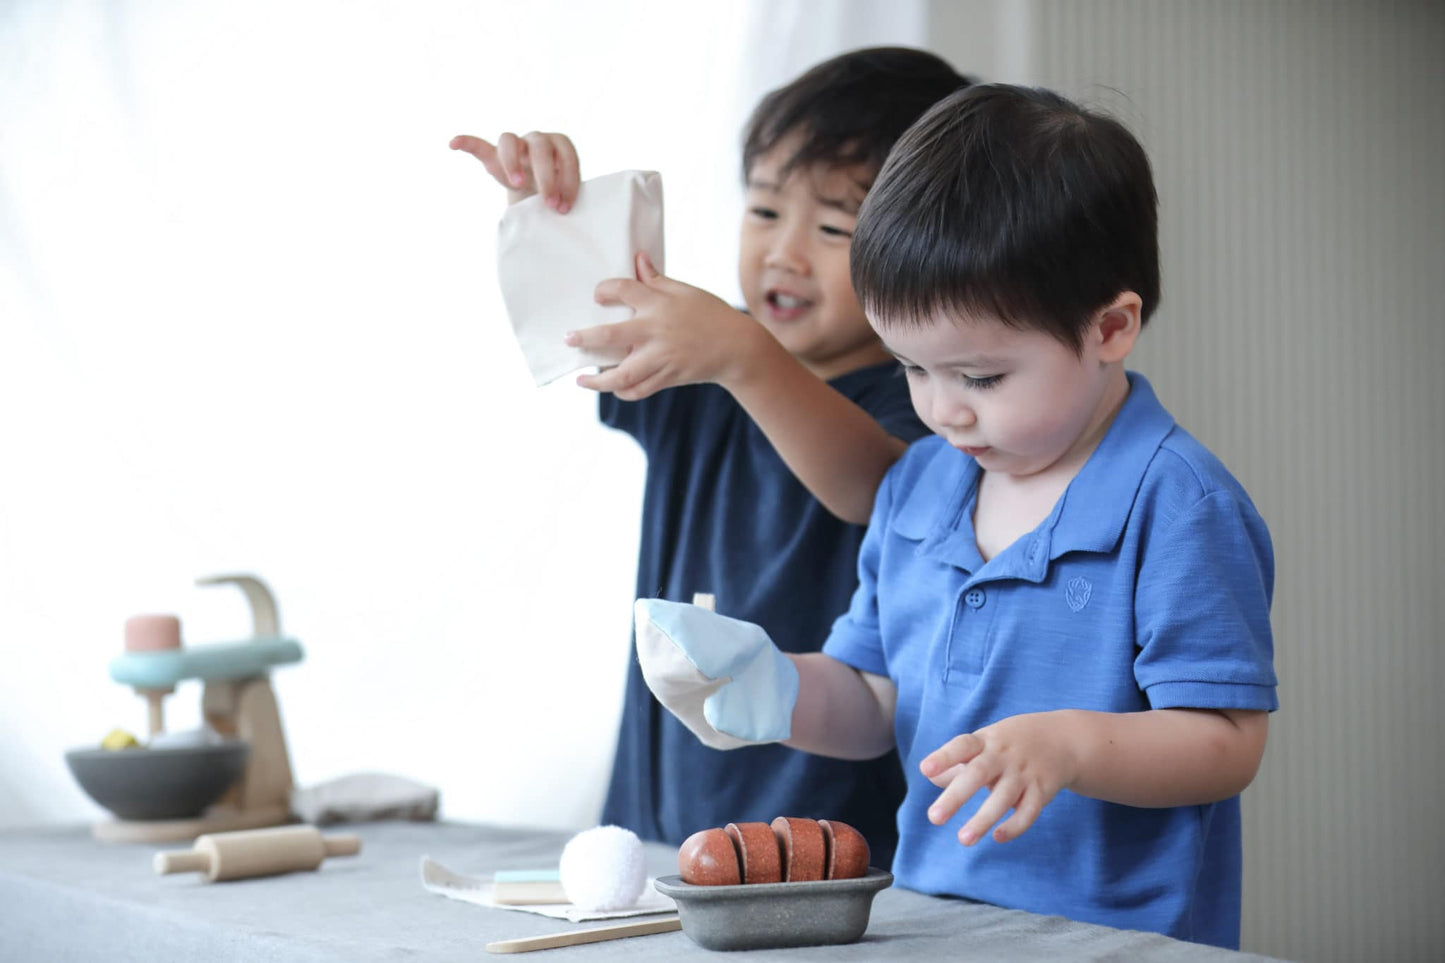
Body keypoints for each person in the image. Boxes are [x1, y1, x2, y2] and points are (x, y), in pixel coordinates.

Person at [634, 83, 1277, 949]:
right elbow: (872, 702)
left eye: (979, 377)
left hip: (1118, 935)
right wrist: (770, 684)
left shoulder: (1176, 505)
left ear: (1110, 327)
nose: (944, 411)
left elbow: (1225, 741)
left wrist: (1071, 746)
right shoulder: (917, 490)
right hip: (936, 918)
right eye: (911, 367)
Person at [450, 48, 974, 865]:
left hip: (821, 830)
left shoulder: (931, 401)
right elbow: (580, 318)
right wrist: (548, 217)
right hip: (657, 810)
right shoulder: (710, 360)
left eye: (834, 226)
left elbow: (874, 485)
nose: (784, 253)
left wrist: (743, 355)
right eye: (764, 211)